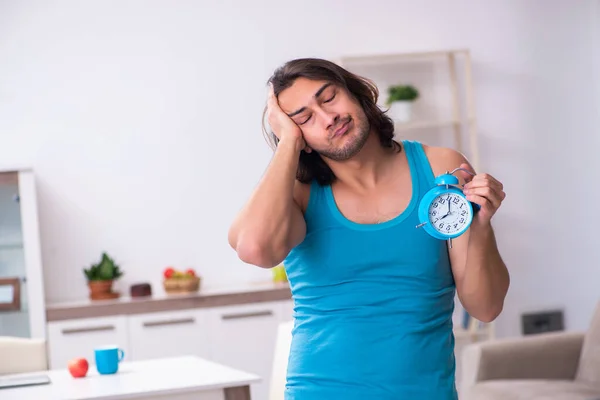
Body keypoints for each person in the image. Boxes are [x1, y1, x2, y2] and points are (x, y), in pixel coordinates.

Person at [228, 58, 509, 400]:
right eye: (304, 118)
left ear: (356, 92)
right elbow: (255, 249)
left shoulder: (440, 167)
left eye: (329, 97)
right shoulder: (299, 195)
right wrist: (287, 142)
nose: (328, 117)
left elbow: (486, 307)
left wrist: (479, 226)